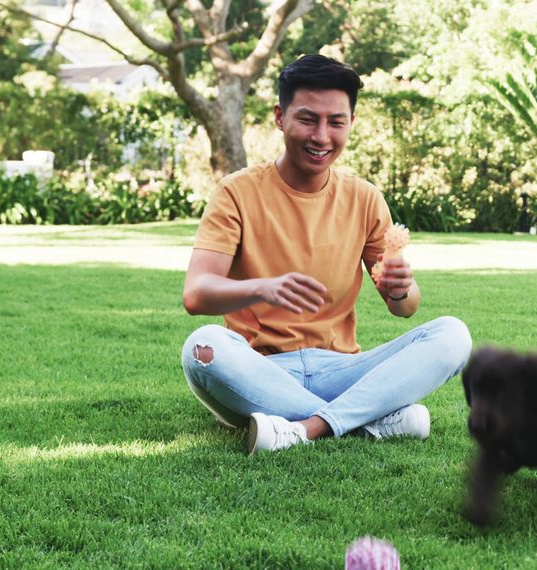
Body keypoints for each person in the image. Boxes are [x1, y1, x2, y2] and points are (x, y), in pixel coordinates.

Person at [179, 54, 472, 455]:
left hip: (341, 370)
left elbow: (403, 309)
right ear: (280, 117)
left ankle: (305, 428)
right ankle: (369, 420)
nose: (321, 136)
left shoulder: (365, 199)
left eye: (336, 122)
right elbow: (197, 294)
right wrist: (263, 288)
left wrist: (401, 289)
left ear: (351, 122)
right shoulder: (237, 192)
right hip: (260, 369)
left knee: (452, 334)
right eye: (307, 119)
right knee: (202, 348)